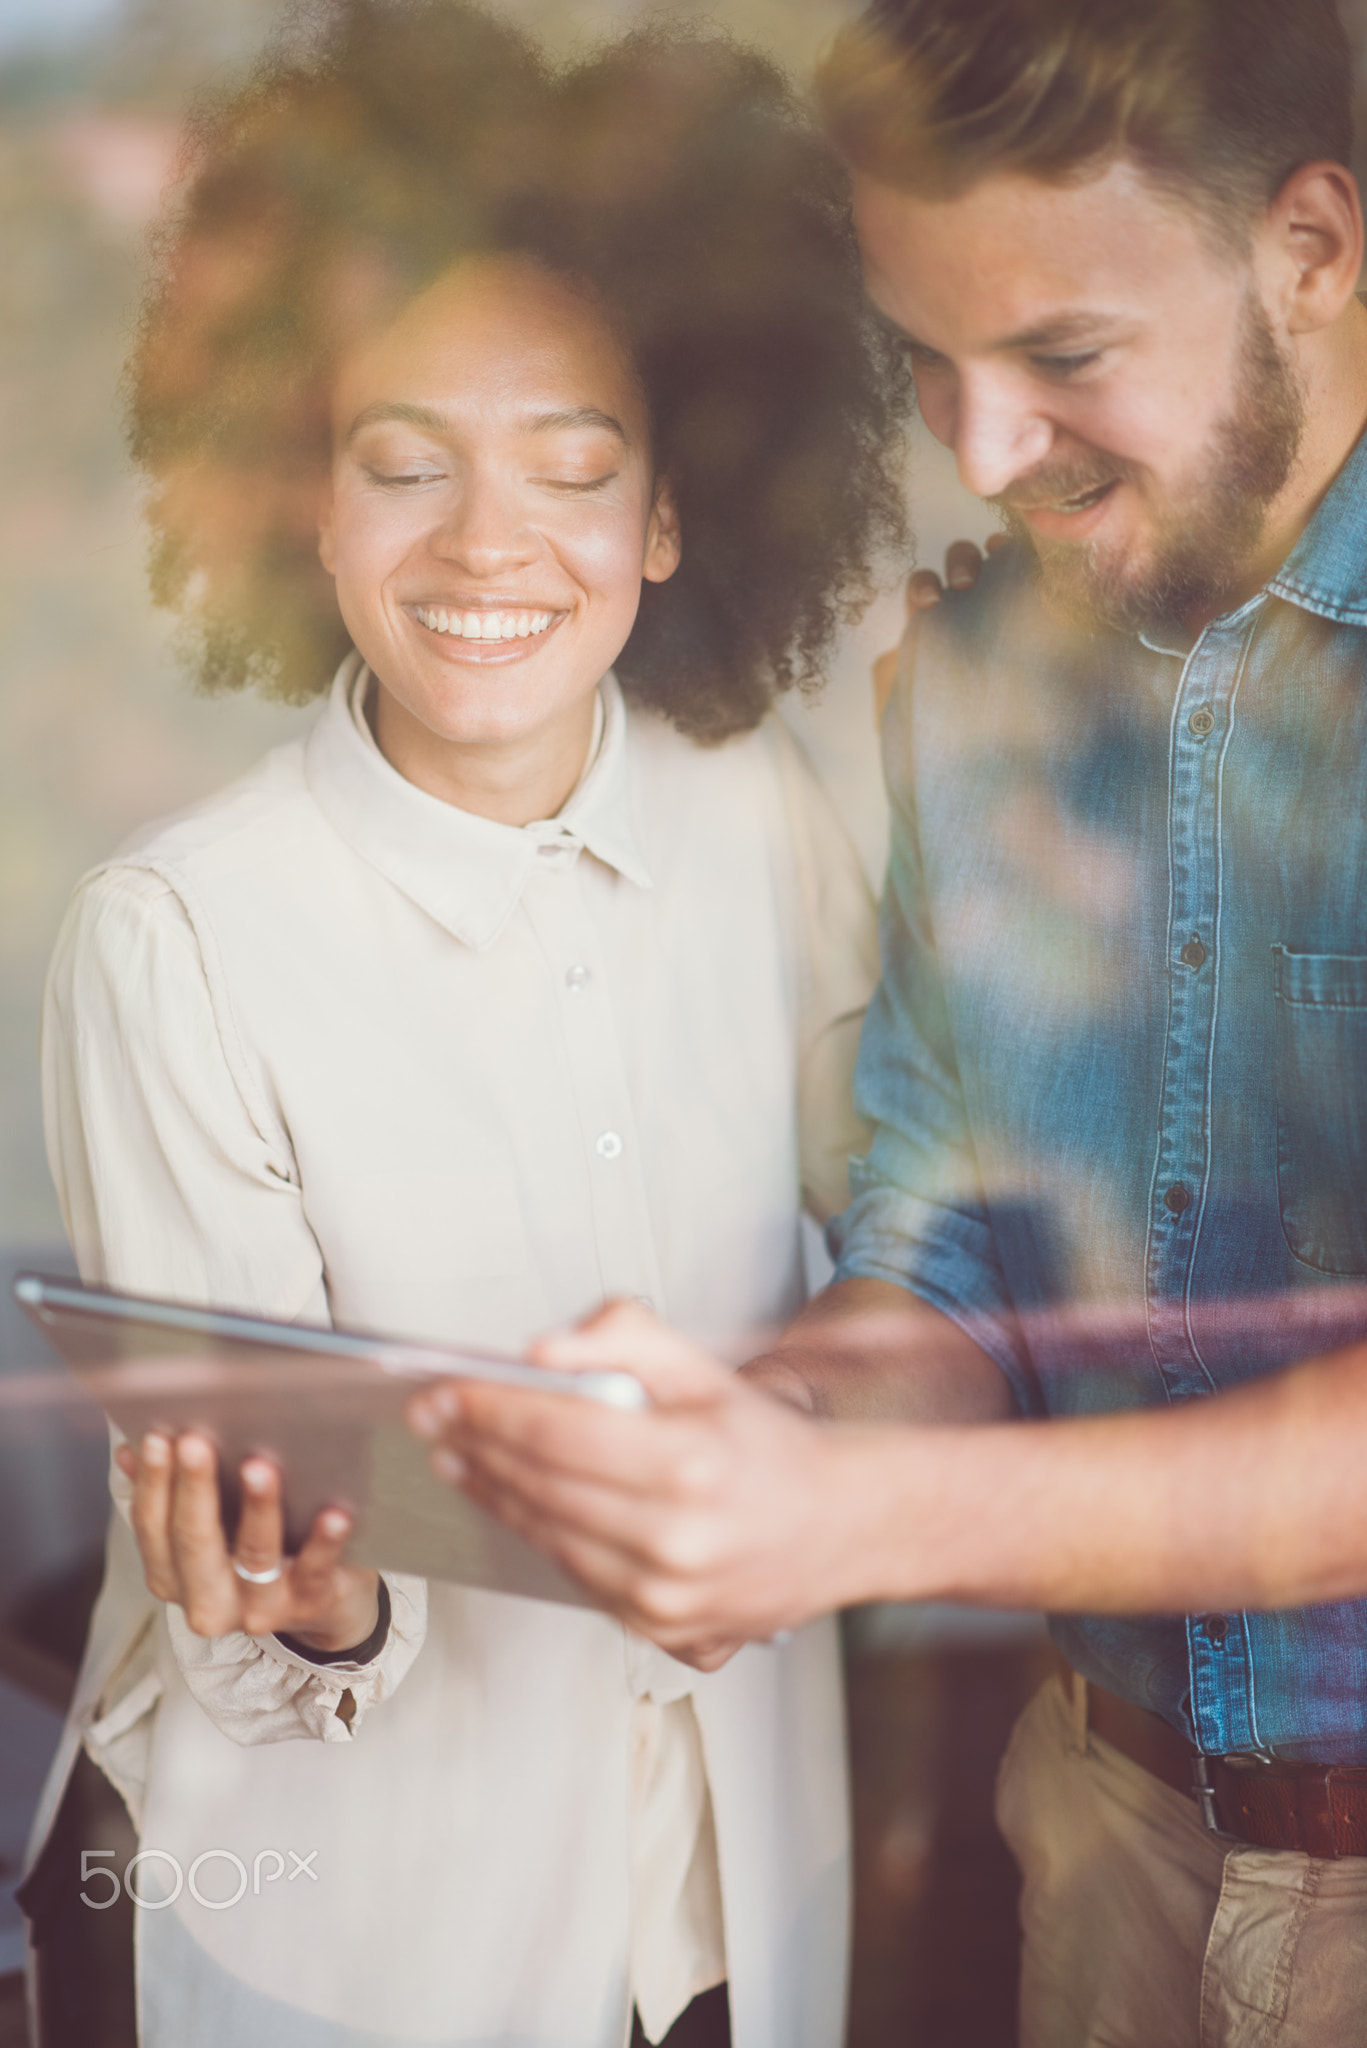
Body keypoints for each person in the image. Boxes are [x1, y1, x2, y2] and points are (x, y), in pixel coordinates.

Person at [413, 1, 1367, 2041]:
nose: (984, 449)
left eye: (1062, 357)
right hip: (1099, 1826)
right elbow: (950, 1239)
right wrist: (765, 1434)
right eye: (928, 360)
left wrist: (864, 1517)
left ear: (1315, 246)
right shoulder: (980, 673)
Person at [21, 7, 912, 2046]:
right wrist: (311, 1593)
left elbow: (912, 1245)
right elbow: (255, 1561)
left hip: (726, 1908)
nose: (489, 543)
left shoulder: (764, 815)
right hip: (367, 1937)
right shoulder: (178, 937)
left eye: (575, 469)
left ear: (670, 513)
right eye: (403, 464)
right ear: (300, 503)